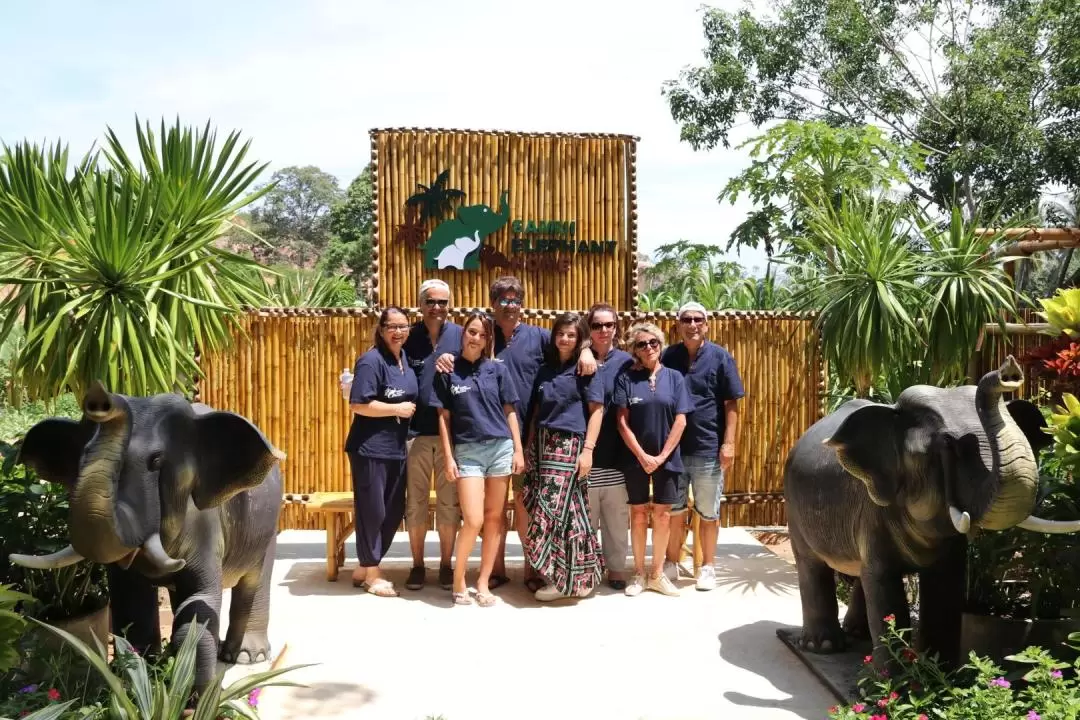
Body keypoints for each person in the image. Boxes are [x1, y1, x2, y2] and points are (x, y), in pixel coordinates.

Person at [435, 276, 596, 592]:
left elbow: (571, 336)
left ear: (521, 304)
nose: (510, 306)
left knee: (525, 503)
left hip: (530, 438)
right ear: (493, 303)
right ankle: (494, 570)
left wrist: (588, 348)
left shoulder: (537, 337)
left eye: (515, 300)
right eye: (503, 300)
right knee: (487, 511)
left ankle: (532, 569)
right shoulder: (482, 332)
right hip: (489, 438)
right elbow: (457, 360)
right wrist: (445, 356)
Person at [431, 311, 525, 606]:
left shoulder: (497, 369)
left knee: (494, 519)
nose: (476, 338)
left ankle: (483, 583)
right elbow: (443, 418)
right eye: (472, 332)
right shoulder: (447, 370)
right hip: (468, 451)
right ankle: (459, 578)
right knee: (472, 519)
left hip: (500, 448)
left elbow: (510, 410)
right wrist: (449, 457)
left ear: (488, 340)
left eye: (482, 334)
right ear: (463, 334)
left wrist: (518, 449)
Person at [522, 312, 607, 601]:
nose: (565, 339)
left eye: (571, 334)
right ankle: (577, 578)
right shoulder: (545, 370)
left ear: (579, 337)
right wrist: (529, 448)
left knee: (555, 512)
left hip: (570, 445)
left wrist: (588, 451)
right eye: (561, 333)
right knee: (570, 513)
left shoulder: (586, 368)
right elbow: (536, 414)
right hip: (543, 447)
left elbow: (597, 411)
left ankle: (562, 580)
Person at [662, 301, 744, 591]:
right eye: (687, 319)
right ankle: (670, 563)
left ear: (706, 325)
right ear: (679, 324)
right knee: (674, 511)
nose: (693, 324)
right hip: (673, 450)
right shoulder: (667, 356)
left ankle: (707, 567)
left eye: (698, 319)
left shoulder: (721, 357)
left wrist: (729, 444)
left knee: (709, 513)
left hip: (708, 447)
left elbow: (731, 404)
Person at [613, 321, 693, 597]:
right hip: (636, 458)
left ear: (660, 345)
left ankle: (657, 574)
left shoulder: (675, 378)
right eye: (641, 344)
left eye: (653, 342)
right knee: (637, 515)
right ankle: (638, 573)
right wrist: (643, 455)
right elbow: (622, 422)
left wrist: (660, 457)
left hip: (667, 459)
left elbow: (681, 420)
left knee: (662, 516)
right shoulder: (626, 379)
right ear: (634, 349)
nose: (648, 347)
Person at [344, 306, 418, 597]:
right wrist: (395, 409)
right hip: (370, 449)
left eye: (403, 326)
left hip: (396, 449)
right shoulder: (370, 361)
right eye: (392, 326)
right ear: (381, 329)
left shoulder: (404, 361)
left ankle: (365, 565)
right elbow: (358, 404)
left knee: (393, 510)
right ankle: (372, 574)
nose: (398, 332)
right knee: (372, 511)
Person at [402, 279, 463, 592]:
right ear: (420, 304)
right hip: (415, 436)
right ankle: (416, 565)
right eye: (431, 302)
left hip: (451, 438)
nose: (436, 307)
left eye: (442, 302)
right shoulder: (408, 336)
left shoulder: (462, 335)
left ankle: (445, 565)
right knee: (416, 504)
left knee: (449, 504)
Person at [583, 303, 633, 590]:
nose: (603, 330)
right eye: (597, 325)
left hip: (617, 454)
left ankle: (616, 569)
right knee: (586, 519)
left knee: (615, 518)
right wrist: (583, 350)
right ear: (589, 328)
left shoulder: (627, 361)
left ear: (616, 327)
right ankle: (588, 569)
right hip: (585, 453)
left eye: (609, 325)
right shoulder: (578, 358)